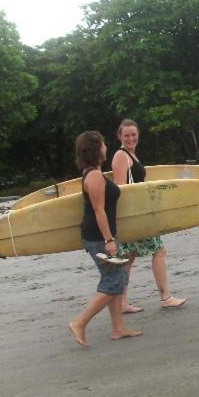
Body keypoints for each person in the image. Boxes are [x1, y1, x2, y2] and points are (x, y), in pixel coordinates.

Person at [68, 131, 142, 348]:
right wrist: (109, 240)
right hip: (99, 237)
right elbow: (99, 211)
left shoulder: (94, 173)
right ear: (95, 149)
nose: (106, 147)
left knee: (117, 277)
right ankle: (79, 322)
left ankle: (118, 328)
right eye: (102, 144)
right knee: (113, 280)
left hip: (102, 235)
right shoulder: (93, 176)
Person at [111, 119, 187, 313]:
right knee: (159, 250)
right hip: (135, 215)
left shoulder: (131, 155)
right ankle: (165, 297)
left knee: (129, 256)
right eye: (126, 135)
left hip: (136, 214)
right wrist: (134, 216)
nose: (131, 138)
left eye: (133, 134)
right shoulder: (121, 156)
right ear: (119, 136)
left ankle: (121, 303)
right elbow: (119, 189)